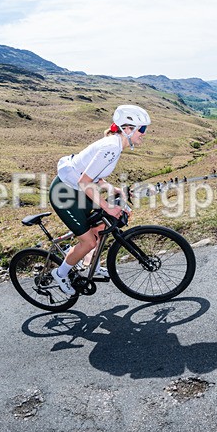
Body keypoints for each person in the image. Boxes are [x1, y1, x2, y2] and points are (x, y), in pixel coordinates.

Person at [48, 104, 150, 296]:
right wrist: (107, 207)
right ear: (128, 129)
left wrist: (114, 189)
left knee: (102, 225)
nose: (144, 133)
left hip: (78, 189)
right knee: (89, 242)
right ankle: (60, 273)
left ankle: (90, 264)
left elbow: (95, 177)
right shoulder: (111, 147)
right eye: (142, 129)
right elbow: (84, 181)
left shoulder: (115, 145)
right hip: (64, 194)